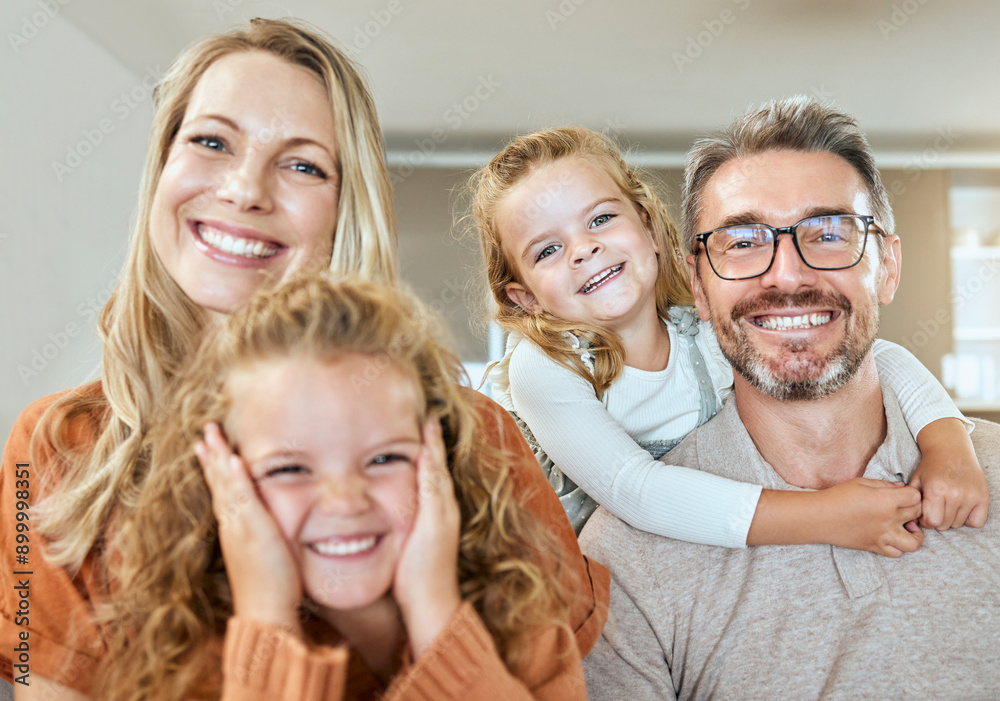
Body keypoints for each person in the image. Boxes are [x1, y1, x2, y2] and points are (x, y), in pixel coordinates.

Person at [0, 19, 606, 699]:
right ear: (162, 165)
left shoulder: (478, 438)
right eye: (210, 141)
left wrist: (407, 621)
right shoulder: (55, 448)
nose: (245, 189)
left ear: (348, 207)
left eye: (303, 164)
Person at [581, 97, 999, 700]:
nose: (786, 276)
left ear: (887, 265)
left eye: (828, 233)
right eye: (743, 240)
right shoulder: (624, 555)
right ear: (698, 285)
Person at [471, 126, 987, 549]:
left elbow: (881, 356)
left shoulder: (701, 340)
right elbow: (635, 490)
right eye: (547, 251)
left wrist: (948, 446)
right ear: (526, 298)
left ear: (651, 230)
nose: (583, 250)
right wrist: (827, 516)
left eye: (601, 220)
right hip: (551, 566)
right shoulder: (545, 366)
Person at [95, 274, 585, 700]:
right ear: (222, 480)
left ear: (441, 459)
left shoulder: (521, 619)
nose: (346, 500)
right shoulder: (185, 652)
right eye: (289, 469)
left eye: (384, 458)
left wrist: (435, 616)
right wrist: (267, 622)